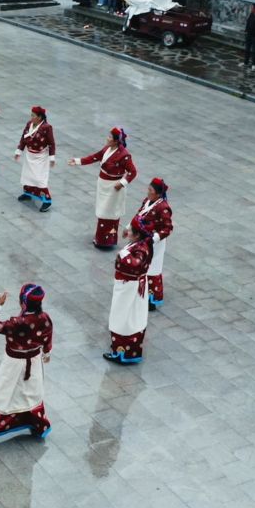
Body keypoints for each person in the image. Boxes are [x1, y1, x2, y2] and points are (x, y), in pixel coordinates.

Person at [0, 284, 52, 446]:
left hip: (13, 364)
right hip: (33, 362)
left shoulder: (17, 322)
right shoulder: (44, 318)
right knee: (31, 392)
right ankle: (36, 423)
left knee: (3, 392)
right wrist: (46, 352)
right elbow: (47, 337)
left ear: (23, 303)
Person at [68, 127, 138, 250]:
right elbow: (94, 157)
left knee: (109, 213)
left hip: (114, 187)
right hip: (103, 185)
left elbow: (132, 172)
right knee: (102, 211)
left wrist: (122, 183)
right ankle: (100, 238)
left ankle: (107, 240)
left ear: (116, 141)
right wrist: (78, 161)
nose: (107, 138)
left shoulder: (124, 155)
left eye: (110, 137)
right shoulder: (107, 149)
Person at [103, 216, 154, 364]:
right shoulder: (140, 243)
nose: (128, 231)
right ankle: (128, 350)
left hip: (130, 288)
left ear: (137, 234)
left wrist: (123, 254)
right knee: (129, 315)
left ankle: (122, 352)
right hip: (128, 285)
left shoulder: (142, 248)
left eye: (131, 230)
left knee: (123, 316)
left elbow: (135, 264)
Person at [135, 178, 173, 310]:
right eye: (148, 189)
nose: (148, 192)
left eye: (150, 190)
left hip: (155, 243)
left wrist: (154, 238)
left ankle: (152, 299)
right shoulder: (147, 202)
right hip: (143, 240)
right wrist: (130, 227)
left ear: (157, 194)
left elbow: (167, 228)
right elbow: (138, 215)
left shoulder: (163, 208)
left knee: (153, 267)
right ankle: (141, 293)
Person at [15, 105, 57, 212]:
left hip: (41, 157)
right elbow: (23, 138)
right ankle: (28, 193)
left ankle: (47, 200)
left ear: (40, 117)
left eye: (33, 115)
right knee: (27, 175)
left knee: (39, 179)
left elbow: (51, 143)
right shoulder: (29, 124)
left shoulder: (47, 128)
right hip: (29, 154)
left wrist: (52, 158)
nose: (31, 117)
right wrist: (19, 151)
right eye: (31, 115)